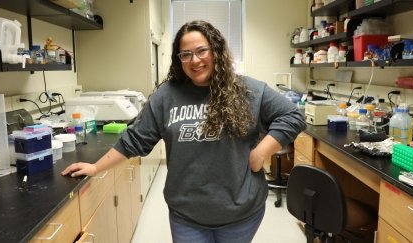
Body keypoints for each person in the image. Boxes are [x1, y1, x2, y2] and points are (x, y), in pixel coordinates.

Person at [62, 20, 306, 243]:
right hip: (187, 215)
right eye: (186, 54)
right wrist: (95, 168)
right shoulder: (166, 96)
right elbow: (135, 139)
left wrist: (260, 153)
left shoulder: (249, 90)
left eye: (202, 51)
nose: (195, 60)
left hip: (240, 212)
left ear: (216, 51)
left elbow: (293, 115)